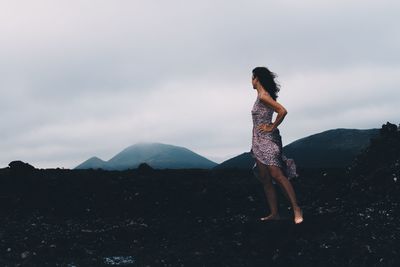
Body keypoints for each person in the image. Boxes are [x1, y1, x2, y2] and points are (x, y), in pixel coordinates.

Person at [250, 66, 303, 224]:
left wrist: (272, 126)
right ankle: (274, 213)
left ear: (257, 78)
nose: (250, 81)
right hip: (258, 140)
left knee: (276, 174)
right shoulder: (260, 96)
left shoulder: (264, 96)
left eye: (252, 77)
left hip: (268, 139)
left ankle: (296, 209)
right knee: (265, 178)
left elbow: (282, 111)